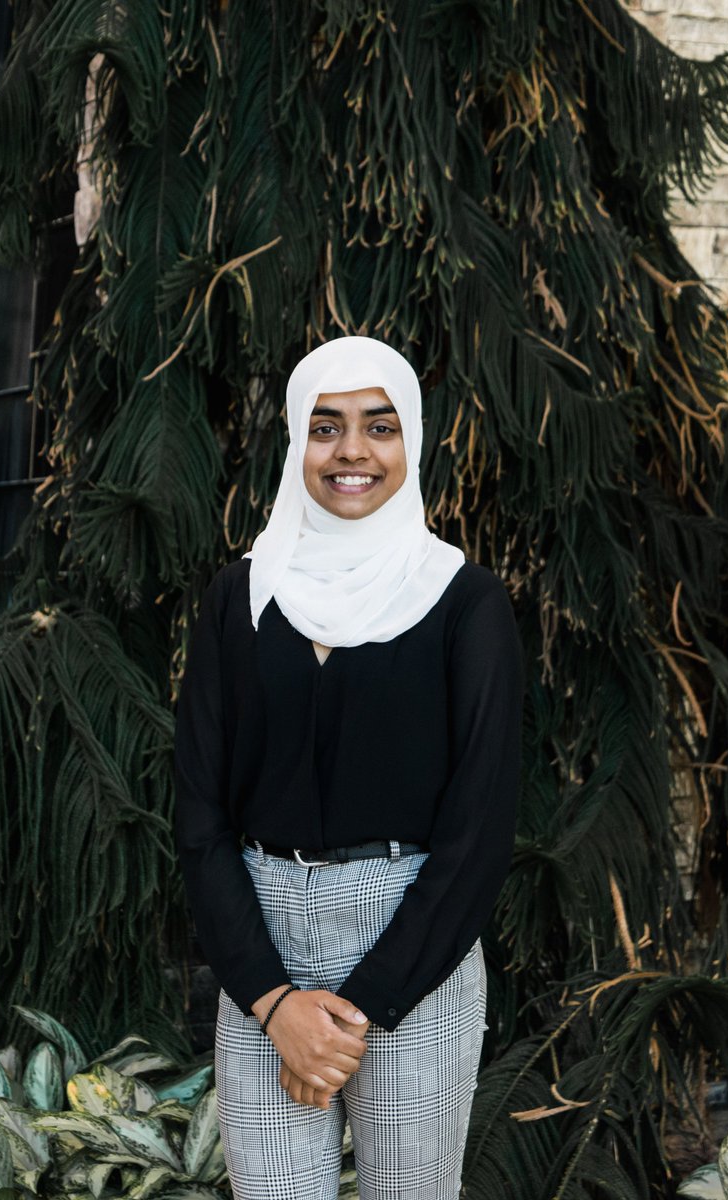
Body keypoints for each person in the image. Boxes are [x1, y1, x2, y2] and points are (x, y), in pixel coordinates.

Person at [174, 335, 524, 1200]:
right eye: (326, 427)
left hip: (416, 951)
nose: (353, 452)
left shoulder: (463, 602)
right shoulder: (240, 597)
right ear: (297, 442)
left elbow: (479, 829)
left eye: (380, 426)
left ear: (413, 441)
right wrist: (272, 1002)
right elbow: (199, 816)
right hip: (264, 952)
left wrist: (360, 1007)